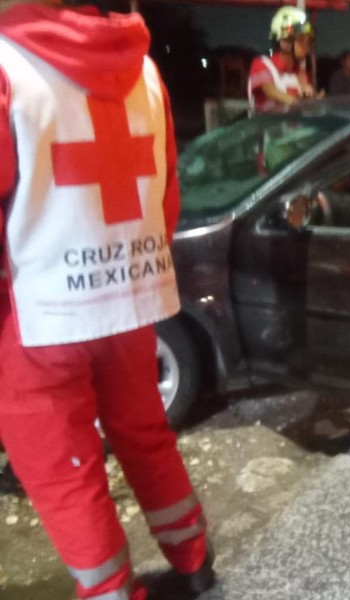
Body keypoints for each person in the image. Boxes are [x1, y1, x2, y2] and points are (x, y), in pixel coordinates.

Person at [0, 2, 214, 599]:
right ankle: (194, 559)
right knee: (145, 434)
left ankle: (110, 591)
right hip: (127, 302)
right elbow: (165, 193)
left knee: (63, 469)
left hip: (39, 318)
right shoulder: (143, 70)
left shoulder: (6, 65)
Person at [248, 6, 317, 113]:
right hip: (266, 123)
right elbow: (270, 91)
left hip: (293, 124)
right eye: (301, 40)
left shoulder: (301, 73)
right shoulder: (262, 64)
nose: (306, 46)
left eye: (308, 41)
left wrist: (311, 97)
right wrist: (300, 103)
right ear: (284, 42)